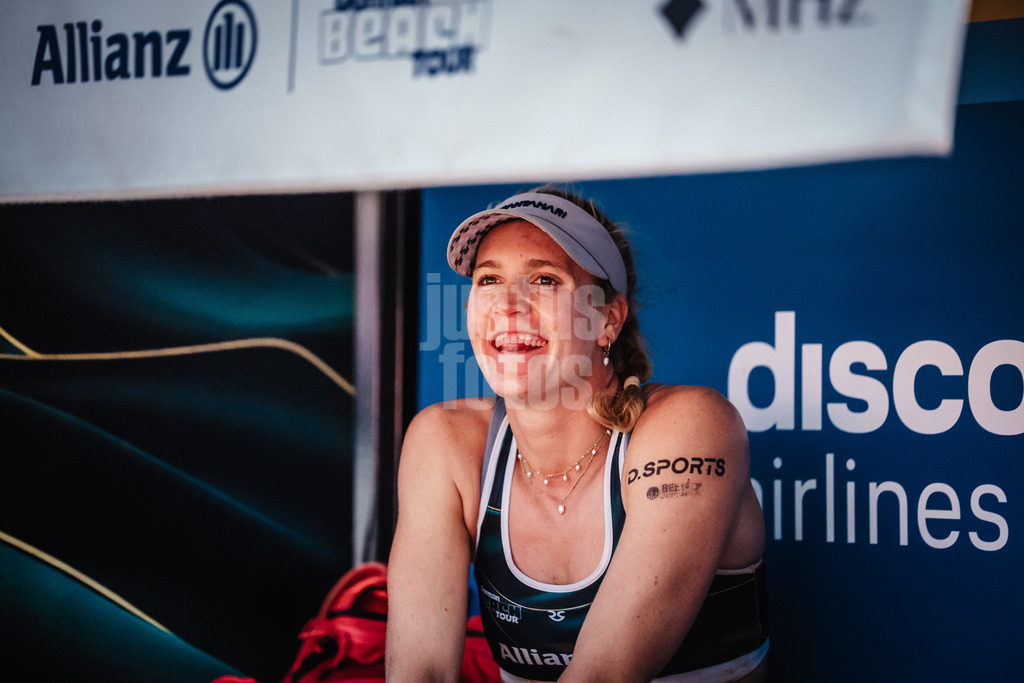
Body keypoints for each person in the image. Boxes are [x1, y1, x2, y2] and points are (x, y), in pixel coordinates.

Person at [386, 188, 768, 682]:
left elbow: (604, 674)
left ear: (608, 319)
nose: (507, 306)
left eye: (545, 279)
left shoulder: (691, 424)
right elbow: (420, 673)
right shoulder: (443, 441)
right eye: (489, 279)